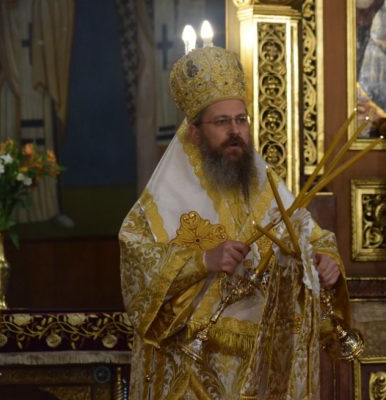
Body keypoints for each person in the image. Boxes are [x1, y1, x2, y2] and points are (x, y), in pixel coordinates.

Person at [119, 47, 350, 399]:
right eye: (221, 122)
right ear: (195, 132)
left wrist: (323, 260)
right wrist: (202, 260)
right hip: (192, 367)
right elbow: (136, 261)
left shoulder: (262, 181)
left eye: (241, 120)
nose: (235, 131)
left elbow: (310, 235)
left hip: (264, 367)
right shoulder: (165, 196)